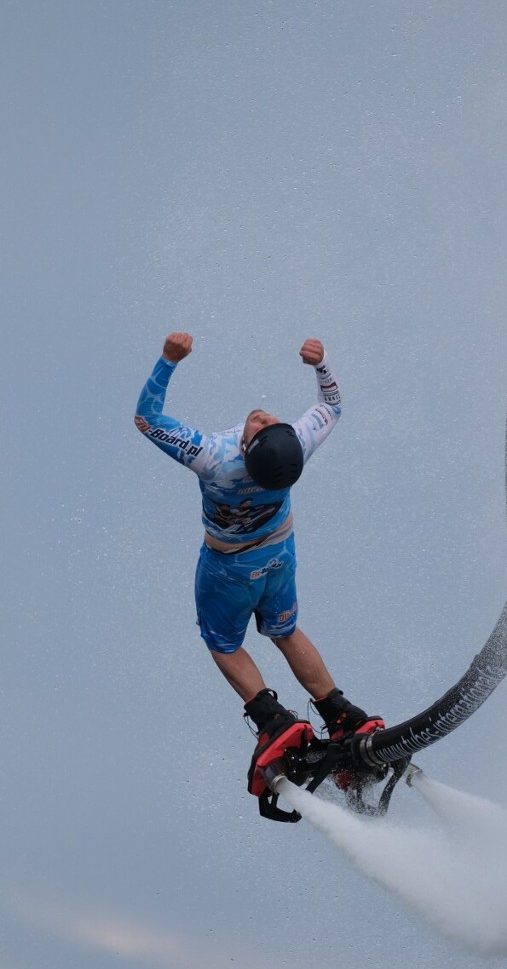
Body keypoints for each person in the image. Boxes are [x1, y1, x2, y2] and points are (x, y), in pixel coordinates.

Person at [135, 331, 382, 797]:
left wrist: (168, 360)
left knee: (223, 643)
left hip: (227, 569)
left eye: (265, 425)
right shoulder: (300, 446)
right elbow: (332, 405)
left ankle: (272, 719)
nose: (264, 417)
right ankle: (341, 714)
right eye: (266, 424)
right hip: (279, 558)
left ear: (247, 450)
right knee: (286, 631)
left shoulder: (211, 458)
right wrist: (322, 364)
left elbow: (147, 419)